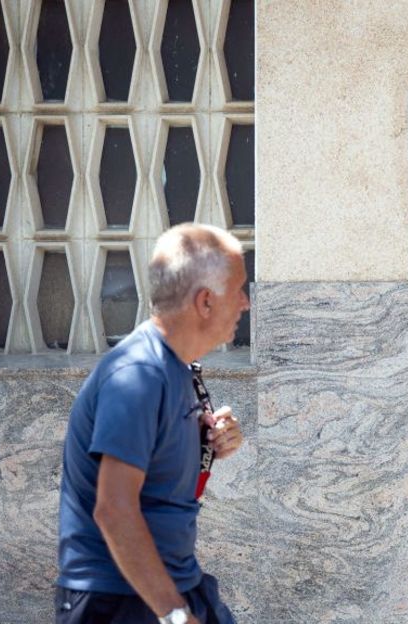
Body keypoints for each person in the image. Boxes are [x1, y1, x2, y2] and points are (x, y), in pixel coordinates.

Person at [55, 224, 249, 624]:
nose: (246, 303)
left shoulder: (176, 368)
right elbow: (114, 509)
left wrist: (212, 441)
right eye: (239, 290)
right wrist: (176, 616)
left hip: (173, 584)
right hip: (119, 601)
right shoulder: (138, 375)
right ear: (206, 302)